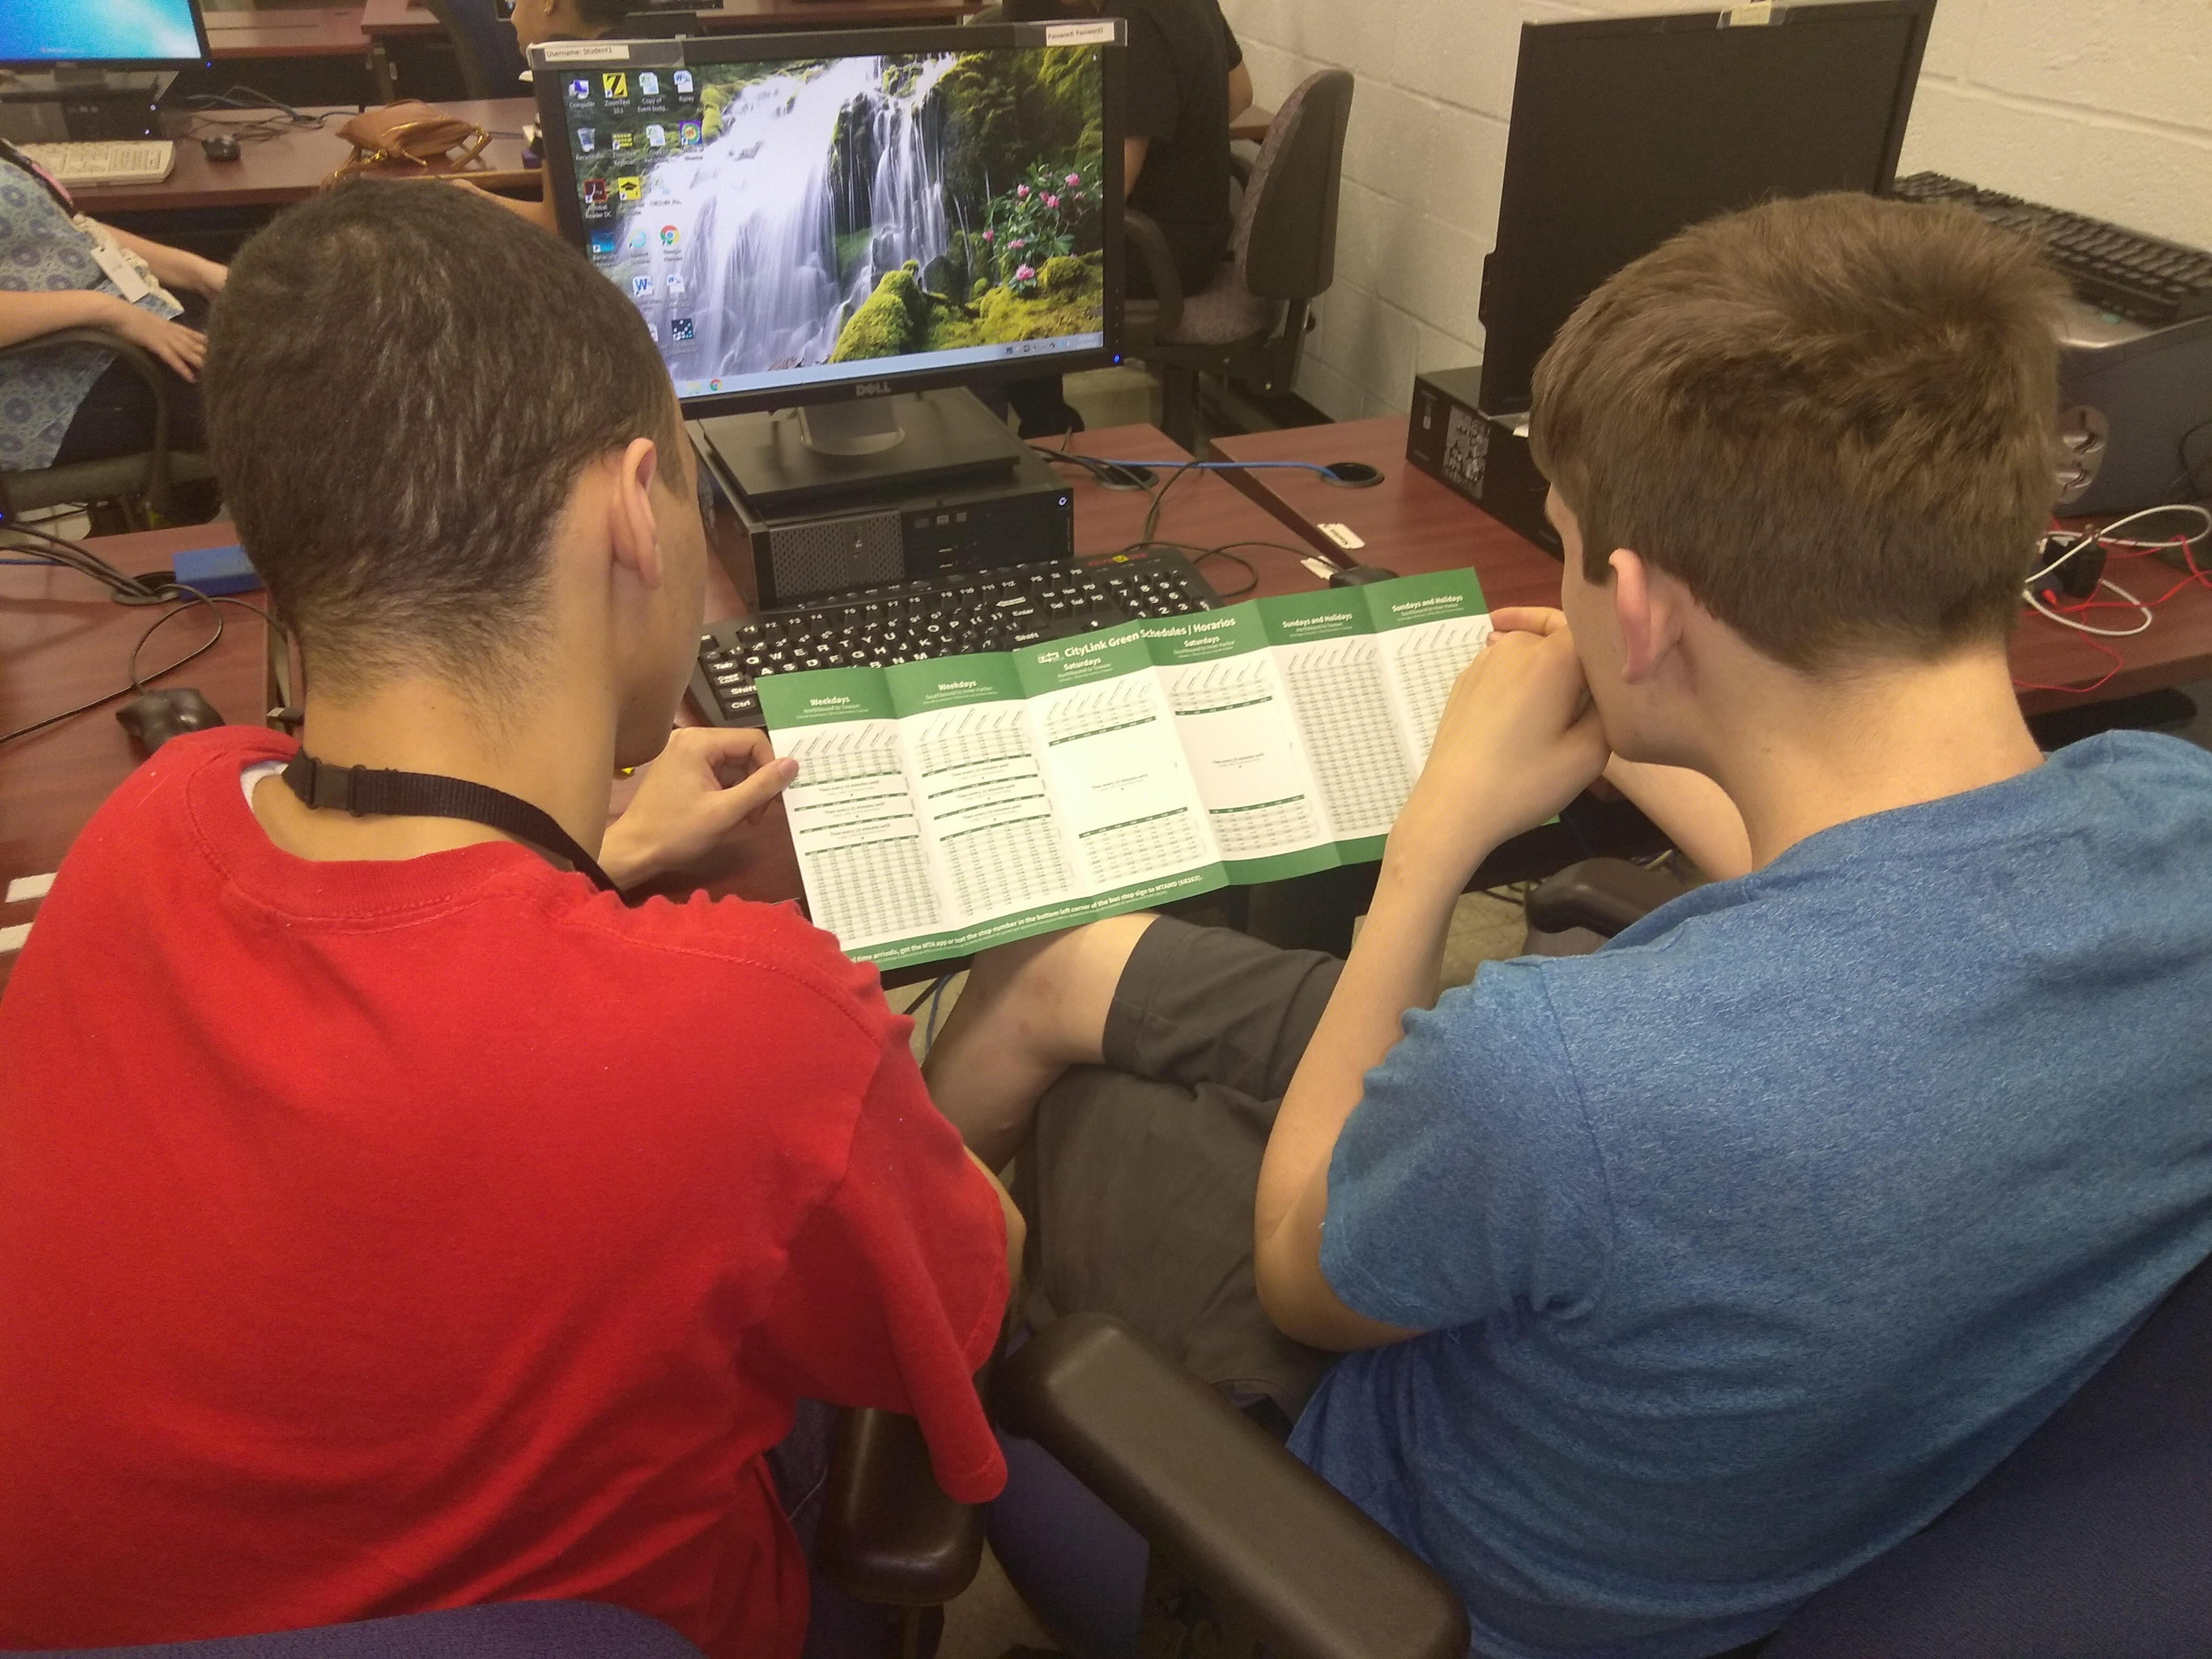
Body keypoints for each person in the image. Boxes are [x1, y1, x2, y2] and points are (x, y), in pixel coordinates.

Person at [924, 190, 2212, 1657]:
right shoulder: (2178, 822)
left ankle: (876, 1401)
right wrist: (1649, 736)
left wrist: (1434, 844)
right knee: (1080, 966)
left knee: (1076, 1063)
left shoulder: (1557, 1071)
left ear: (1646, 612)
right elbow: (1877, 881)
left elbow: (1301, 1257)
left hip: (1399, 1529)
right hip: (1776, 1416)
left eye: (1567, 544)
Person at [0, 179, 1018, 1659]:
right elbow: (965, 1292)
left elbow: (405, 1007)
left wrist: (582, 859)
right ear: (631, 509)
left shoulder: (152, 826)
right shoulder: (750, 1023)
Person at [993, 0, 1249, 437]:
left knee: (1008, 273)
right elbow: (1241, 94)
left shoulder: (1134, 21)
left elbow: (1111, 188)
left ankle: (1041, 438)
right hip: (1201, 233)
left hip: (1160, 252)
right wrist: (1179, 140)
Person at [0, 137, 225, 486]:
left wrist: (196, 271)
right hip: (50, 385)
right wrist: (107, 311)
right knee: (273, 393)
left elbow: (75, 230)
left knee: (286, 336)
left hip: (120, 321)